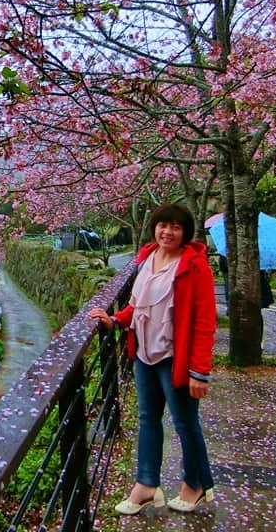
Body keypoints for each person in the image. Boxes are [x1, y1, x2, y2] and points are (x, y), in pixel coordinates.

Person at [88, 203, 217, 515]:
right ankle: (147, 485)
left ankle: (196, 485)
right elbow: (139, 305)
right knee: (148, 419)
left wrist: (199, 372)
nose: (167, 232)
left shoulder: (194, 265)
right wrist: (116, 320)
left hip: (176, 357)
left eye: (175, 227)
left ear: (185, 233)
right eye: (163, 225)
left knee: (185, 424)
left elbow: (204, 321)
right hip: (144, 353)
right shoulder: (147, 257)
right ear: (154, 227)